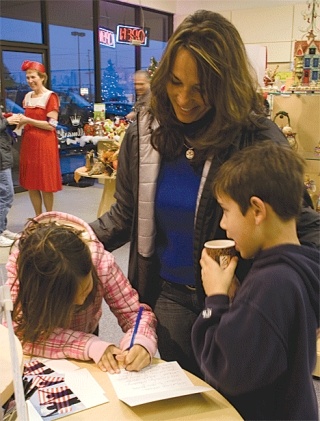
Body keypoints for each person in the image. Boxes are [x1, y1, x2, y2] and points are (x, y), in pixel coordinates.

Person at [89, 10, 320, 377]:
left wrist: (277, 293)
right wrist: (76, 236)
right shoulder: (145, 133)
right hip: (166, 299)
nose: (184, 98)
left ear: (225, 85)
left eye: (200, 88)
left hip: (239, 304)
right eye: (176, 82)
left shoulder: (255, 139)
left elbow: (302, 230)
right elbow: (125, 214)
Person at [191, 140, 319, 420]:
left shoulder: (270, 284)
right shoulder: (299, 266)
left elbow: (226, 369)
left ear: (257, 210)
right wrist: (240, 303)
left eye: (226, 211)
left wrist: (215, 298)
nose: (223, 224)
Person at [5, 211, 157, 373]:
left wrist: (141, 341)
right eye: (67, 298)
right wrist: (88, 345)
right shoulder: (23, 270)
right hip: (41, 347)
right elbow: (15, 332)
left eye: (86, 289)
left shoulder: (100, 262)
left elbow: (135, 313)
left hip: (85, 335)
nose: (80, 301)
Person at [18, 60, 62, 216]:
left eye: (33, 77)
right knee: (32, 183)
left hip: (45, 143)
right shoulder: (28, 96)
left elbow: (51, 125)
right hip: (29, 143)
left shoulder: (51, 97)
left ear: (42, 77)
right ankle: (38, 217)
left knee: (45, 183)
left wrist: (28, 120)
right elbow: (26, 118)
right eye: (28, 78)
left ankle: (48, 217)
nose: (30, 81)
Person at [0, 107, 20, 247]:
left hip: (3, 154)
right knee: (7, 195)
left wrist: (9, 121)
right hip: (1, 158)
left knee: (3, 194)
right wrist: (7, 121)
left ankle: (2, 229)